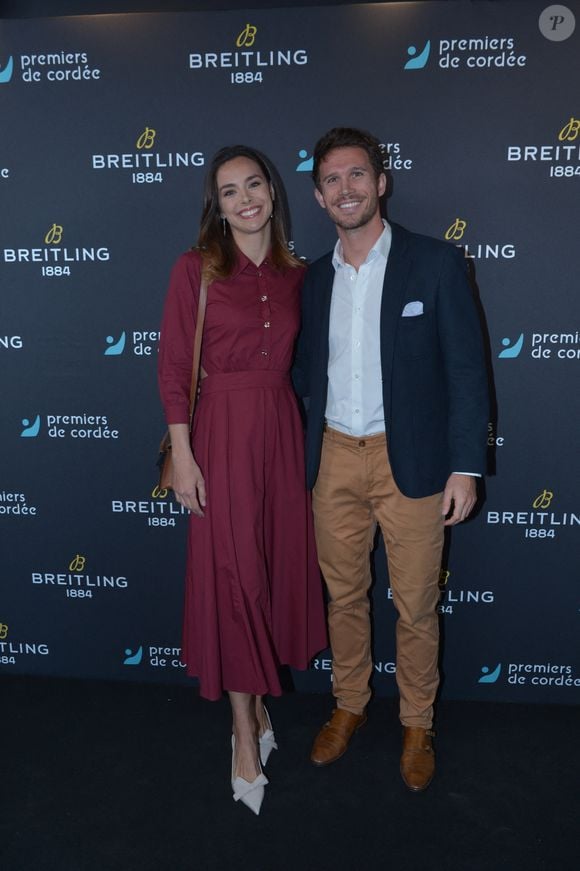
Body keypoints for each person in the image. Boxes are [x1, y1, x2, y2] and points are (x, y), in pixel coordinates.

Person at [292, 127, 489, 791]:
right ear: (319, 197)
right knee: (344, 595)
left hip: (416, 462)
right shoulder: (312, 279)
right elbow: (296, 374)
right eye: (332, 180)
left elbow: (466, 370)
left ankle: (416, 721)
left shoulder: (435, 263)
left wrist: (466, 464)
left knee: (414, 604)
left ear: (381, 183)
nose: (346, 189)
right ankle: (348, 705)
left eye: (357, 175)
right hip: (334, 457)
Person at [158, 145, 327, 815]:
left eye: (253, 184)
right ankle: (243, 735)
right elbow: (174, 367)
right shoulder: (194, 269)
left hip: (281, 435)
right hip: (219, 435)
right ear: (217, 206)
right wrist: (185, 454)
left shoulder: (298, 275)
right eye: (229, 191)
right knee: (235, 582)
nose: (244, 198)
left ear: (273, 192)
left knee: (270, 574)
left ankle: (257, 710)